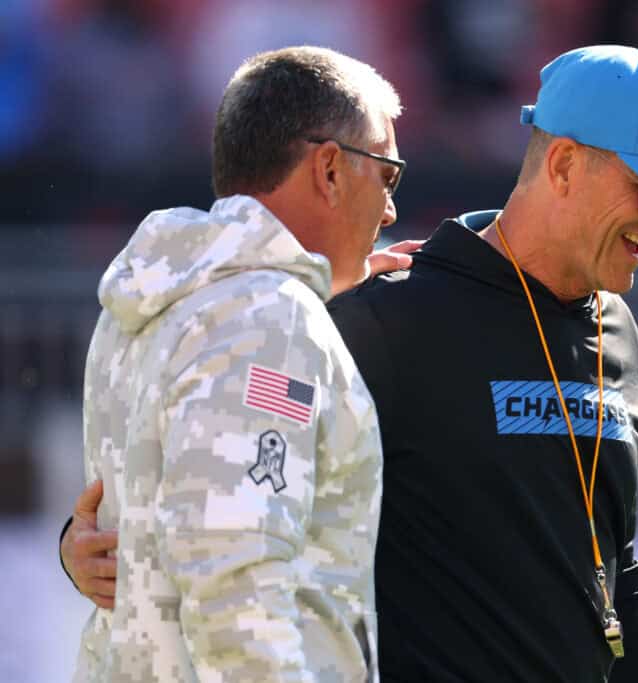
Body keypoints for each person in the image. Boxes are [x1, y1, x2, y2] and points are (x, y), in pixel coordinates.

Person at [63, 44, 638, 681]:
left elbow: (614, 568)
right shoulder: (384, 315)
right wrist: (86, 541)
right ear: (564, 163)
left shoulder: (619, 332)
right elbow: (231, 514)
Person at [67, 45, 411, 682]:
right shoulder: (268, 318)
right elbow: (234, 575)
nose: (390, 210)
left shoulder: (159, 298)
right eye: (386, 174)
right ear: (330, 169)